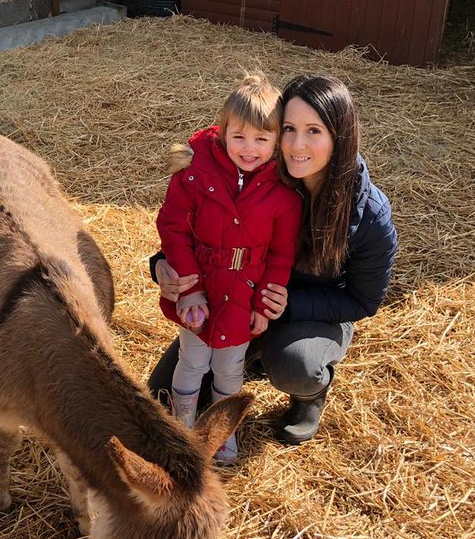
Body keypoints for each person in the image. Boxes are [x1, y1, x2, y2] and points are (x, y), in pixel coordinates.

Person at [149, 74, 398, 446]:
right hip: (233, 295)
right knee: (160, 391)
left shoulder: (369, 214)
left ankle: (308, 395)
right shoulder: (259, 173)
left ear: (339, 137)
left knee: (295, 364)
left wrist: (285, 303)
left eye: (314, 131)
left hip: (304, 310)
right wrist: (162, 266)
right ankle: (242, 362)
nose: (298, 144)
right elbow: (198, 227)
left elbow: (364, 299)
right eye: (289, 129)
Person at [155, 74, 302, 463]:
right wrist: (188, 287)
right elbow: (172, 225)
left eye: (261, 139)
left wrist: (263, 302)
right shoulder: (193, 172)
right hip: (200, 287)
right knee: (192, 361)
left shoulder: (284, 193)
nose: (249, 149)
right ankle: (182, 426)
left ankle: (222, 433)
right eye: (239, 137)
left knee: (229, 370)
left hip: (243, 294)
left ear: (276, 142)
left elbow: (281, 255)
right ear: (222, 134)